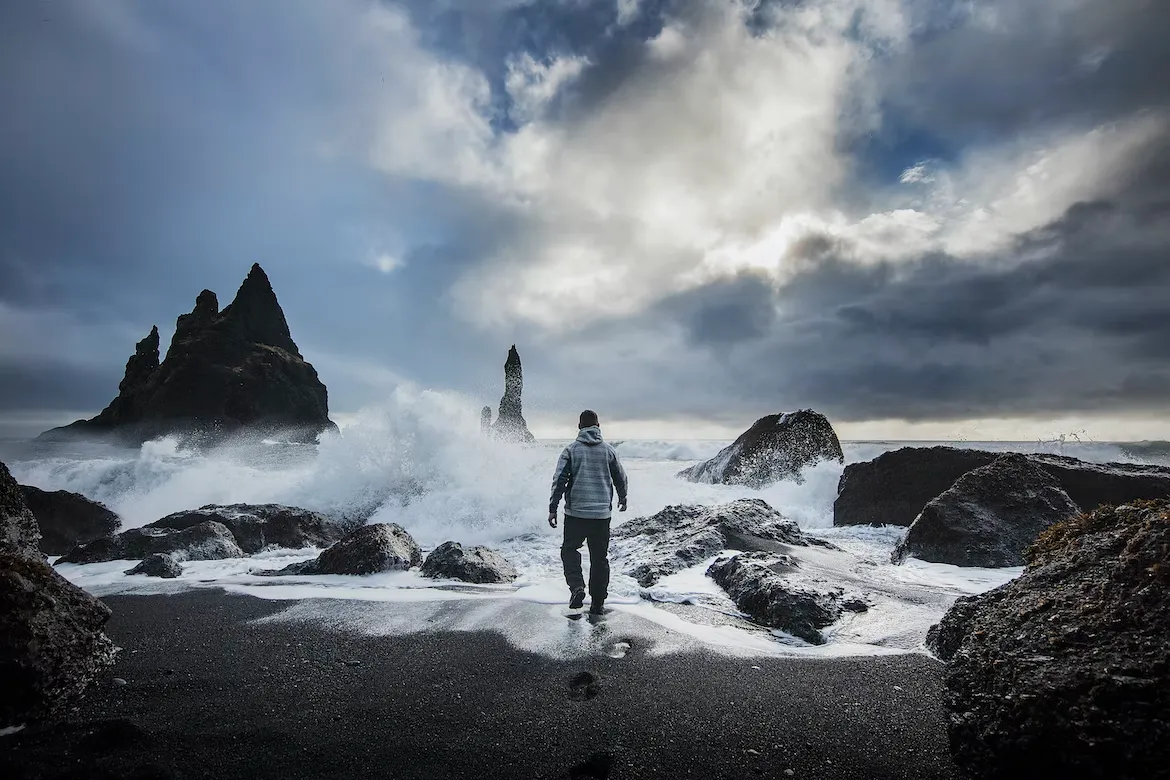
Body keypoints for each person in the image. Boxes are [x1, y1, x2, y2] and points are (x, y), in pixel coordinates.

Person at [548, 409, 628, 614]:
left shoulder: (571, 450)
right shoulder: (608, 450)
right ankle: (598, 603)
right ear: (598, 427)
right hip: (601, 515)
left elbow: (559, 481)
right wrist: (623, 497)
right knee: (599, 558)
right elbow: (621, 477)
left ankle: (576, 587)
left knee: (569, 550)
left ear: (579, 427)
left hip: (576, 514)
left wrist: (553, 508)